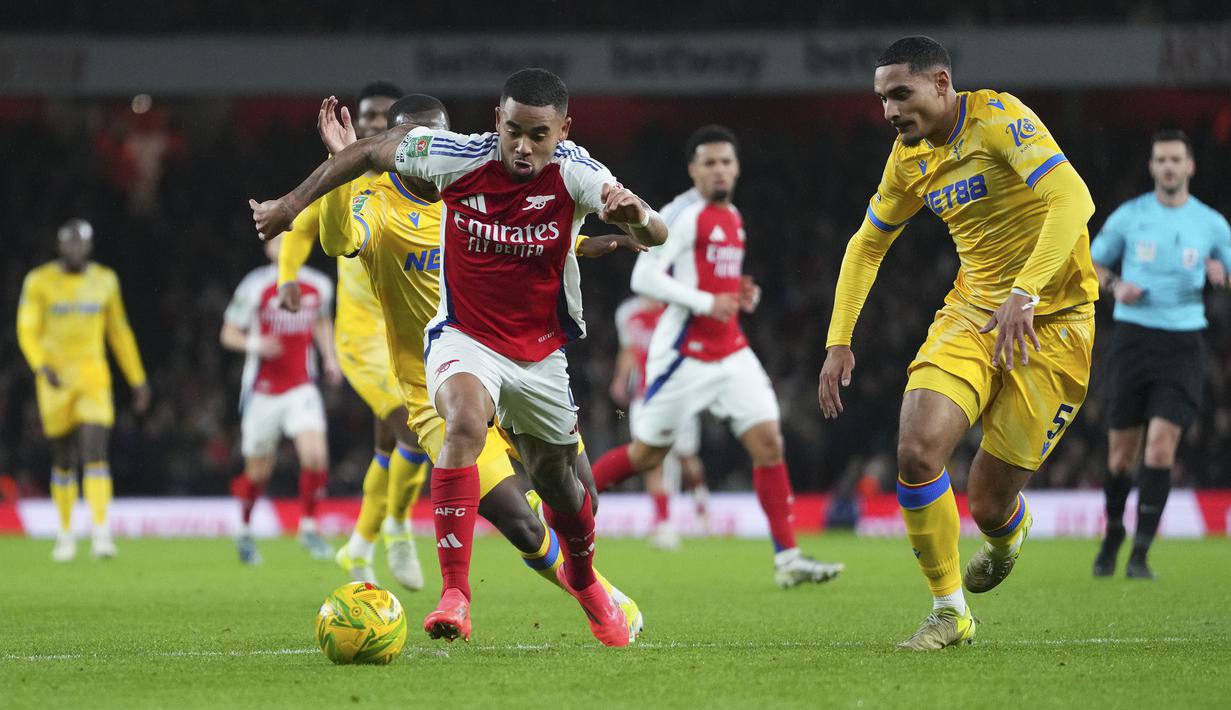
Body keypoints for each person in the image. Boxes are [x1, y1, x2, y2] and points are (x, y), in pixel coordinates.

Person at [250, 70, 665, 647]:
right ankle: (550, 594)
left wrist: (618, 235)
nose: (426, 151)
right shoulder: (379, 205)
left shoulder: (475, 183)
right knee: (519, 517)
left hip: (525, 356)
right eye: (415, 143)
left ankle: (584, 575)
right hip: (439, 378)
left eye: (435, 137)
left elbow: (549, 235)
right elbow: (339, 240)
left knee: (576, 492)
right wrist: (339, 169)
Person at [818, 36, 1098, 650]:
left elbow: (1072, 198)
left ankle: (1006, 533)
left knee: (989, 502)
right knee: (918, 451)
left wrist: (1026, 291)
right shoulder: (907, 158)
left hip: (1056, 321)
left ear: (941, 84)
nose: (889, 110)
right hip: (972, 313)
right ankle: (950, 611)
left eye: (901, 93)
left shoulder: (1000, 119)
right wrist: (840, 339)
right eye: (882, 98)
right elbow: (867, 244)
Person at [590, 125, 842, 586]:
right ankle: (557, 506)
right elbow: (643, 280)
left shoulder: (734, 216)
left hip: (730, 350)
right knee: (648, 454)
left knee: (769, 442)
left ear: (737, 167)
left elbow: (709, 278)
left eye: (726, 161)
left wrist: (738, 292)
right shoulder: (681, 214)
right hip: (684, 354)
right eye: (709, 163)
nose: (720, 169)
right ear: (693, 170)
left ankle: (788, 559)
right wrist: (707, 303)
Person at [278, 81, 431, 590]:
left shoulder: (423, 180)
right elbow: (302, 229)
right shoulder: (345, 173)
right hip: (362, 336)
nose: (371, 124)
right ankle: (399, 528)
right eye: (366, 115)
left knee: (388, 448)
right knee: (412, 430)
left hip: (414, 331)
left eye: (382, 117)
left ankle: (359, 547)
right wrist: (287, 278)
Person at [1089, 129, 1231, 580]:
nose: (1169, 167)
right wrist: (1116, 286)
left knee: (1161, 449)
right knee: (1119, 457)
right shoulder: (1130, 217)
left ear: (1190, 166)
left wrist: (1222, 275)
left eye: (1176, 160)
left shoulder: (1211, 224)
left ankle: (1140, 554)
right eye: (1161, 160)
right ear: (1152, 167)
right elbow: (1090, 265)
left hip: (1184, 344)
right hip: (1133, 341)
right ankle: (1113, 532)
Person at [17, 219, 150, 562]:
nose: (75, 249)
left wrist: (136, 378)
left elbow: (119, 332)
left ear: (89, 247)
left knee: (94, 452)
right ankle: (65, 534)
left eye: (81, 243)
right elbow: (27, 328)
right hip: (55, 378)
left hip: (93, 377)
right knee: (63, 458)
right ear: (60, 245)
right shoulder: (40, 281)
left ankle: (101, 533)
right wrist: (40, 365)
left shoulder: (104, 280)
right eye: (69, 243)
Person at [221, 234, 342, 565]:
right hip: (263, 391)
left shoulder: (317, 285)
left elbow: (321, 322)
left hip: (302, 385)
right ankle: (244, 531)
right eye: (278, 241)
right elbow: (228, 333)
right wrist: (256, 345)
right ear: (267, 248)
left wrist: (330, 358)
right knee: (258, 471)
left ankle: (309, 527)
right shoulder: (254, 286)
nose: (285, 247)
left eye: (292, 240)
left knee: (316, 455)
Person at [610, 294, 710, 549]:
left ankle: (701, 503)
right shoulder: (628, 314)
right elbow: (628, 349)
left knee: (685, 457)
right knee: (650, 459)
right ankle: (664, 524)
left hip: (677, 396)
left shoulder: (675, 311)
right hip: (644, 398)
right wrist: (621, 379)